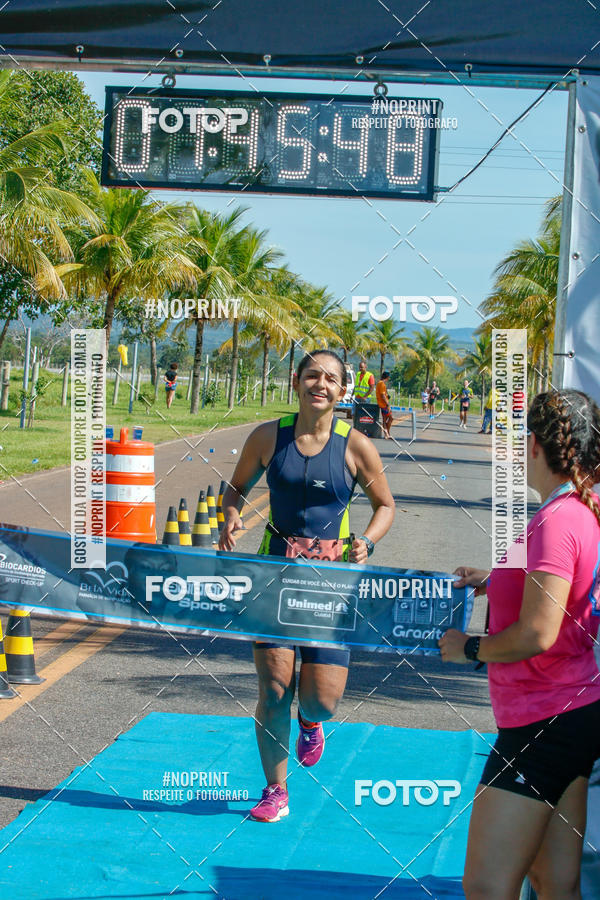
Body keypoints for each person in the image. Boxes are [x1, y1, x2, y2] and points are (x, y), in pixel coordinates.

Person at [219, 349, 395, 823]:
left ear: (343, 390)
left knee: (322, 698)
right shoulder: (267, 437)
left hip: (331, 586)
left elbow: (385, 505)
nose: (321, 384)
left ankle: (311, 720)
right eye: (312, 375)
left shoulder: (356, 446)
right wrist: (231, 516)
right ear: (296, 382)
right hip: (273, 577)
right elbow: (235, 488)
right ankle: (275, 790)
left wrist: (367, 542)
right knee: (275, 690)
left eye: (331, 378)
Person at [439, 389, 600, 899]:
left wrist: (469, 648)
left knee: (486, 886)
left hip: (543, 722)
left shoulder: (558, 520)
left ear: (533, 444)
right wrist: (494, 581)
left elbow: (537, 633)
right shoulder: (580, 508)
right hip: (569, 714)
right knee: (554, 883)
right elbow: (560, 591)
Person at [376, 371, 393, 439]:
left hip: (381, 404)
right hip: (384, 405)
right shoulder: (382, 384)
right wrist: (388, 404)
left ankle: (387, 434)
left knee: (385, 419)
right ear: (387, 377)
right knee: (391, 418)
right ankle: (387, 433)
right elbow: (383, 395)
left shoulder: (379, 383)